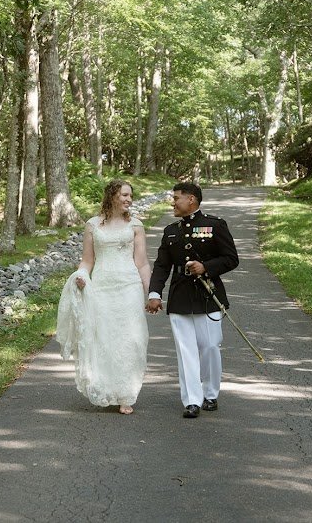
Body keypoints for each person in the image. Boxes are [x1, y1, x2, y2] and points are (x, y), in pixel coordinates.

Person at [56, 179, 150, 414]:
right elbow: (88, 260)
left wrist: (151, 292)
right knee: (106, 338)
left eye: (131, 196)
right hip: (102, 287)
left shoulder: (136, 226)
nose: (129, 199)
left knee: (132, 339)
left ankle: (127, 393)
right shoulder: (92, 225)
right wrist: (81, 276)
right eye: (125, 195)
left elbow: (142, 262)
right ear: (112, 196)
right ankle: (107, 387)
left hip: (129, 285)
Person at [146, 182, 239, 418]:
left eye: (176, 198)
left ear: (191, 200)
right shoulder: (170, 231)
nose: (173, 202)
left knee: (209, 346)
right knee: (185, 350)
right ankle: (192, 400)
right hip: (180, 297)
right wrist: (155, 293)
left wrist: (206, 267)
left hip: (208, 294)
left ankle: (210, 394)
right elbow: (161, 266)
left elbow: (231, 259)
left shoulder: (215, 225)